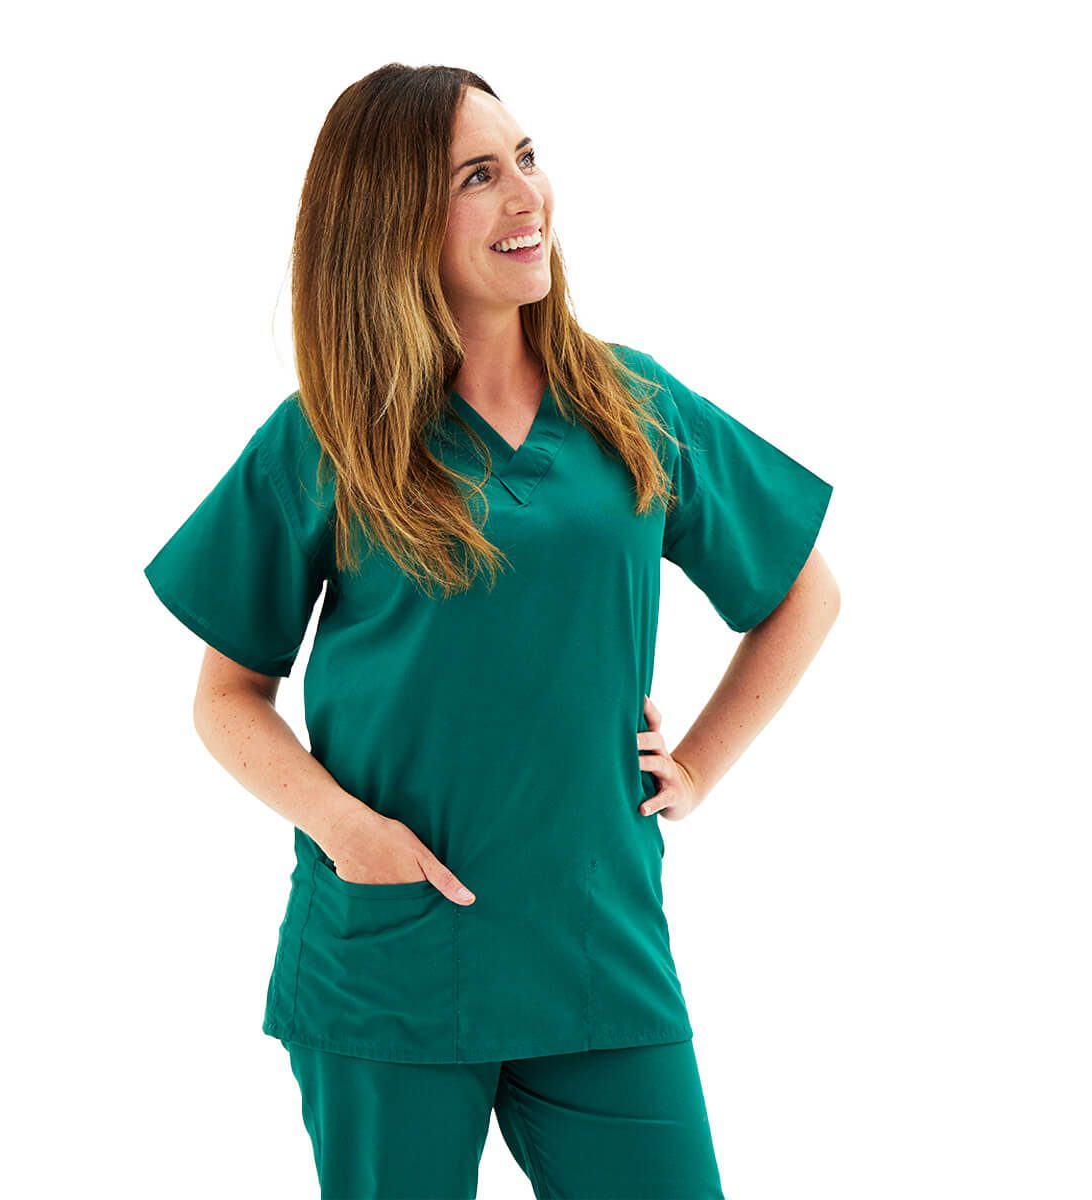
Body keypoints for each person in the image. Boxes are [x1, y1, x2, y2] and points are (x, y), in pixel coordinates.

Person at [143, 62, 839, 1200]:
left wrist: (699, 767)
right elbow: (226, 696)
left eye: (525, 158)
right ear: (394, 221)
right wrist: (347, 832)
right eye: (477, 176)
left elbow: (802, 593)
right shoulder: (326, 437)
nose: (528, 197)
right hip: (393, 960)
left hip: (597, 952)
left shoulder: (633, 405)